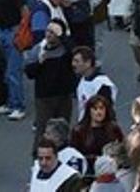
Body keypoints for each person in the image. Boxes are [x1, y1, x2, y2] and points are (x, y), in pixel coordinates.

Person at [25, 20, 76, 149]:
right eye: (48, 31)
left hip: (63, 95)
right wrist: (39, 63)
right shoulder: (39, 49)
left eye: (53, 32)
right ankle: (39, 157)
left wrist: (64, 37)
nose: (48, 34)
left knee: (62, 129)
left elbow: (74, 54)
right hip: (44, 97)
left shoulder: (65, 49)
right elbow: (29, 73)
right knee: (43, 130)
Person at [72, 46, 117, 123]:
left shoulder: (102, 84)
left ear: (88, 63)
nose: (73, 64)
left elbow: (104, 112)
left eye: (77, 61)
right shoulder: (82, 80)